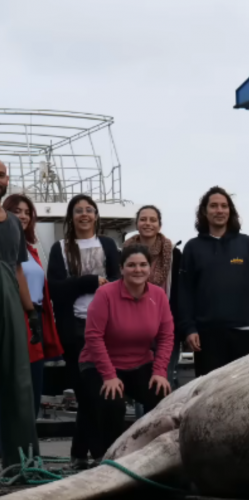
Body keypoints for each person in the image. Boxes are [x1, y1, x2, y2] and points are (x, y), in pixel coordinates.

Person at [79, 244, 174, 462]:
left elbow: (167, 336)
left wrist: (160, 371)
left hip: (139, 362)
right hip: (99, 364)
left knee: (162, 396)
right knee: (113, 402)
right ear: (121, 269)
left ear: (150, 268)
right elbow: (93, 336)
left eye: (143, 265)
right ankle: (108, 459)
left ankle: (155, 455)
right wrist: (109, 376)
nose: (137, 270)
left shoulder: (158, 296)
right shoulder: (105, 294)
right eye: (131, 265)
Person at [47, 194, 121, 470]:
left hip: (106, 328)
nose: (84, 214)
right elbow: (55, 289)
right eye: (78, 211)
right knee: (86, 393)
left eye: (89, 210)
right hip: (75, 329)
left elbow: (117, 282)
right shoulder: (60, 248)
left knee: (102, 393)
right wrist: (90, 281)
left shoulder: (108, 244)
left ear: (96, 216)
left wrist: (89, 285)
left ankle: (80, 452)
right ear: (71, 217)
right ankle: (100, 454)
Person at [180, 186, 249, 377]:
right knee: (207, 395)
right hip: (206, 336)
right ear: (205, 211)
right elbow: (184, 293)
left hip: (243, 333)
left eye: (224, 206)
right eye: (213, 206)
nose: (219, 210)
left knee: (242, 391)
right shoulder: (192, 248)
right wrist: (189, 328)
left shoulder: (247, 244)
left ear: (230, 211)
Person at [3, 194, 65, 417]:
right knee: (15, 386)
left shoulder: (31, 249)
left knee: (34, 385)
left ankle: (28, 444)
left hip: (35, 318)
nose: (23, 216)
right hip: (13, 316)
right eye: (17, 211)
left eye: (27, 212)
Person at [0, 161, 42, 466]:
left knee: (17, 380)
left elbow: (17, 269)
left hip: (10, 301)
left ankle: (20, 462)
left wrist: (31, 313)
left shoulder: (14, 224)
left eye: (1, 173)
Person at [123, 205, 183, 390]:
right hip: (134, 327)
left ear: (159, 225)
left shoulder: (173, 254)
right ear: (137, 223)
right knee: (141, 383)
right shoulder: (125, 252)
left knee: (164, 378)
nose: (147, 223)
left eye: (152, 220)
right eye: (143, 219)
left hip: (165, 325)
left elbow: (180, 291)